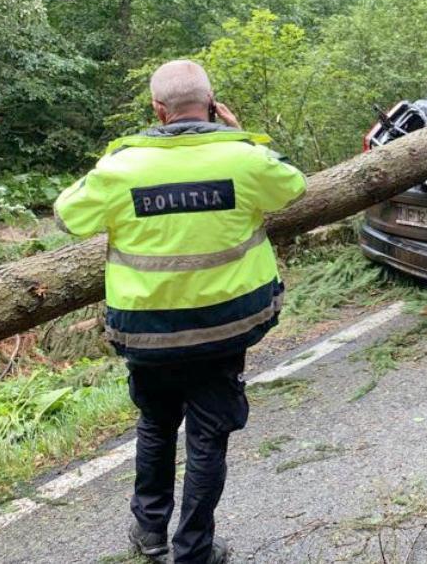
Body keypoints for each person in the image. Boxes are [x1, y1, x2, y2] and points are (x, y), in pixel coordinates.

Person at [53, 60, 307, 564]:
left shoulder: (121, 166)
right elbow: (292, 186)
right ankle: (194, 550)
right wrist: (241, 137)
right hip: (224, 328)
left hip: (147, 333)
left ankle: (150, 532)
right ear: (212, 104)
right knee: (208, 435)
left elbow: (68, 216)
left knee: (156, 422)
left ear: (157, 110)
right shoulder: (242, 158)